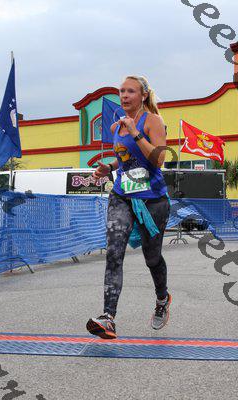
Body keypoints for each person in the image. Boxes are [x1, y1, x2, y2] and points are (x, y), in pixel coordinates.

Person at [86, 76, 170, 339]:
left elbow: (158, 159)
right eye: (121, 91)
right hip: (122, 195)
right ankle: (108, 317)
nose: (124, 95)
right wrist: (109, 167)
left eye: (130, 91)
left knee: (152, 258)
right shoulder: (115, 126)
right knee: (114, 253)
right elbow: (125, 159)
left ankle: (162, 299)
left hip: (152, 200)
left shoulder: (153, 121)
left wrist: (135, 132)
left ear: (143, 95)